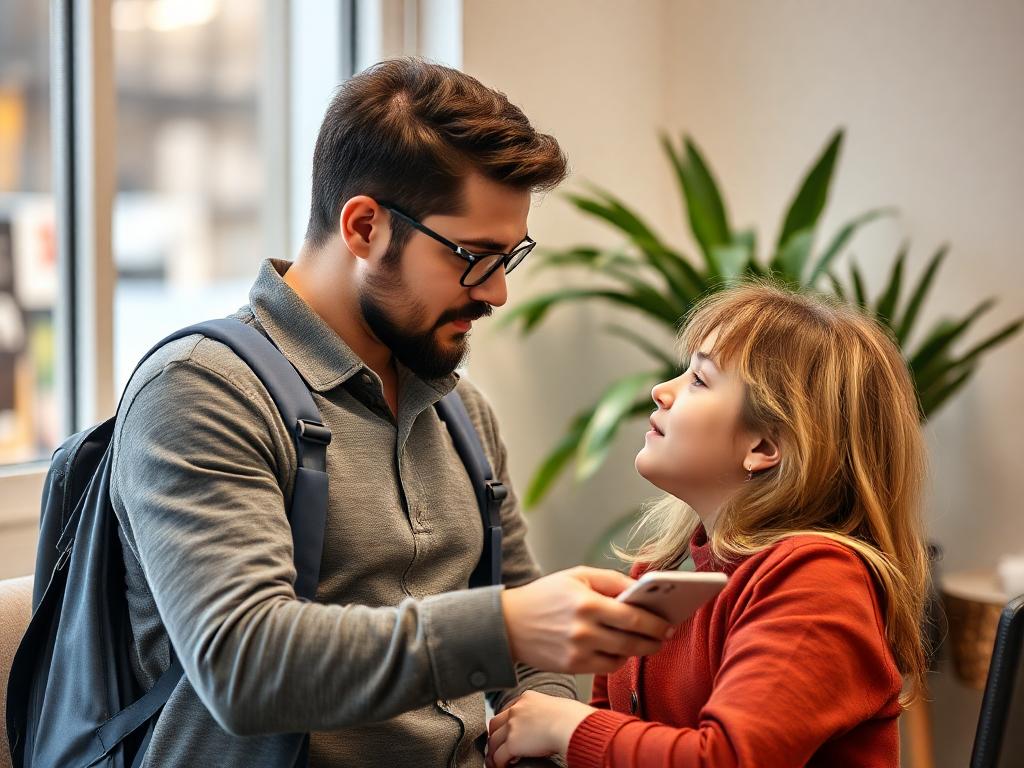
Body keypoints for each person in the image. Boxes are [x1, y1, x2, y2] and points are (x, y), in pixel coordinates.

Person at [110, 58, 673, 767]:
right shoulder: (203, 390)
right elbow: (244, 665)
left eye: (510, 258)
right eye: (474, 256)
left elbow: (526, 631)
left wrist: (541, 719)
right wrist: (501, 628)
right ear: (365, 226)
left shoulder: (460, 410)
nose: (497, 292)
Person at [486, 281, 930, 768]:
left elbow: (726, 760)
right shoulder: (659, 571)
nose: (661, 390)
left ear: (763, 447)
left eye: (699, 380)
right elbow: (612, 722)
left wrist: (565, 726)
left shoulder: (820, 581)